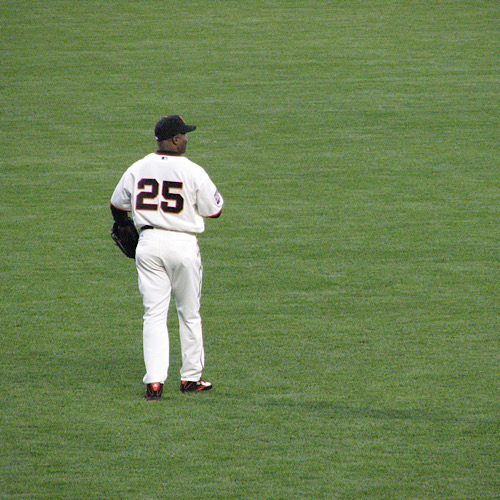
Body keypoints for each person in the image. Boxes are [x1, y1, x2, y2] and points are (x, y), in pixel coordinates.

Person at [110, 115, 224, 400]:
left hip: (147, 245)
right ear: (174, 140)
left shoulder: (137, 167)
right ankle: (190, 379)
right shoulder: (193, 170)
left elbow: (116, 205)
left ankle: (155, 383)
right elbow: (215, 210)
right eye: (184, 135)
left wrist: (125, 226)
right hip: (182, 245)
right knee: (189, 313)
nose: (187, 139)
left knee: (154, 315)